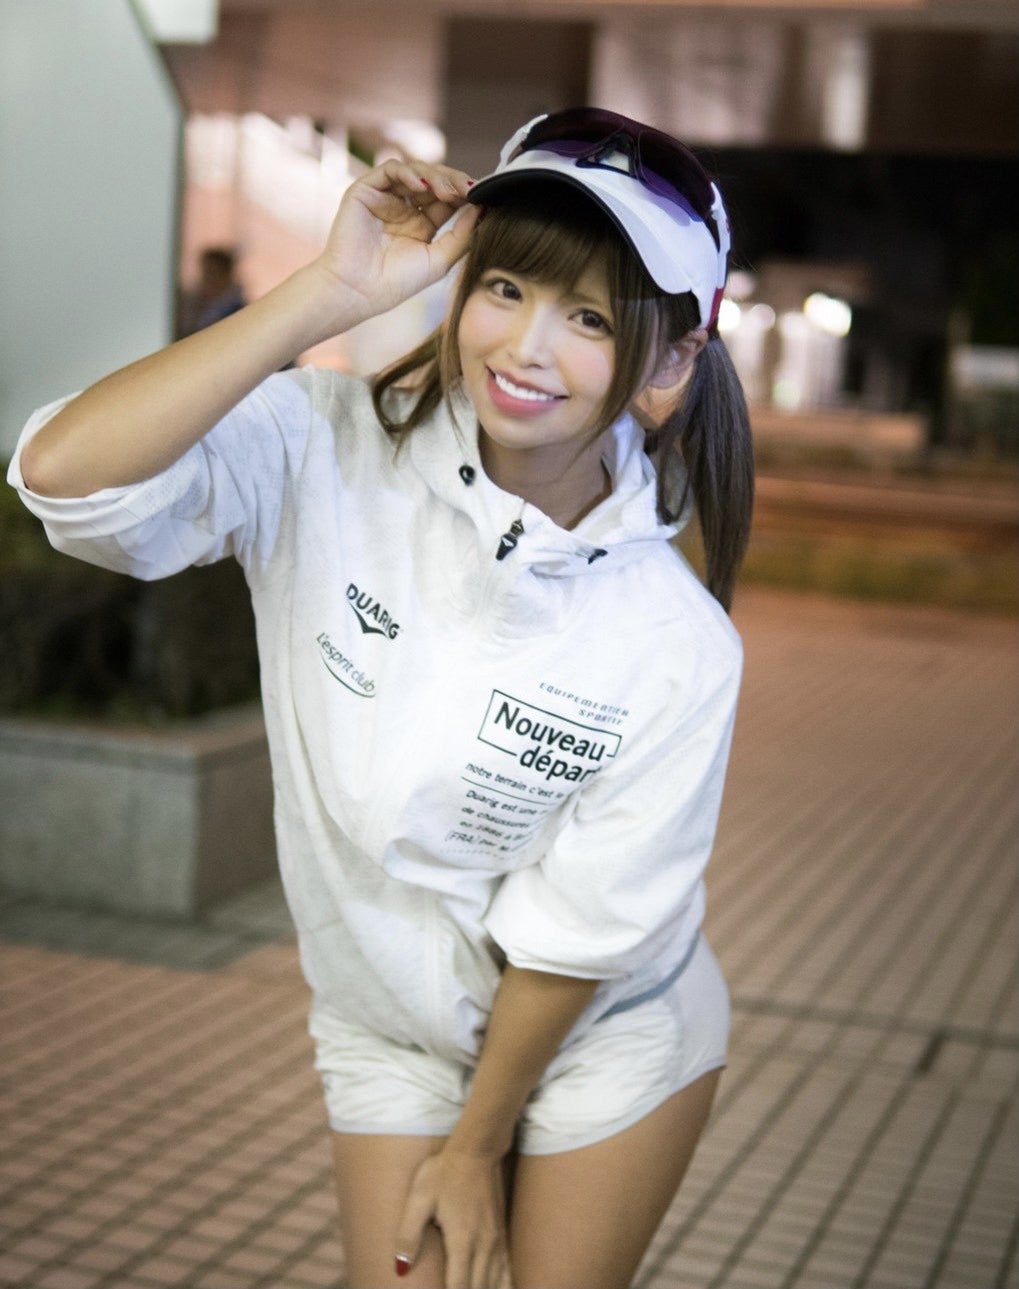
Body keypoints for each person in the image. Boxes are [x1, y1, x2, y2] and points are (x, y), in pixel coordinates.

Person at [9, 107, 754, 1289]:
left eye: (589, 317)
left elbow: (580, 937)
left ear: (667, 362)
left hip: (603, 1027)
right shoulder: (322, 447)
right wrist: (324, 296)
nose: (525, 346)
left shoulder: (677, 643)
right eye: (503, 286)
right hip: (388, 1022)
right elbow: (66, 479)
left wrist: (476, 1142)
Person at [177, 246, 247, 336]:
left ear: (225, 275)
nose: (205, 278)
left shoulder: (237, 312)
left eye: (211, 272)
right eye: (204, 272)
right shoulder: (198, 306)